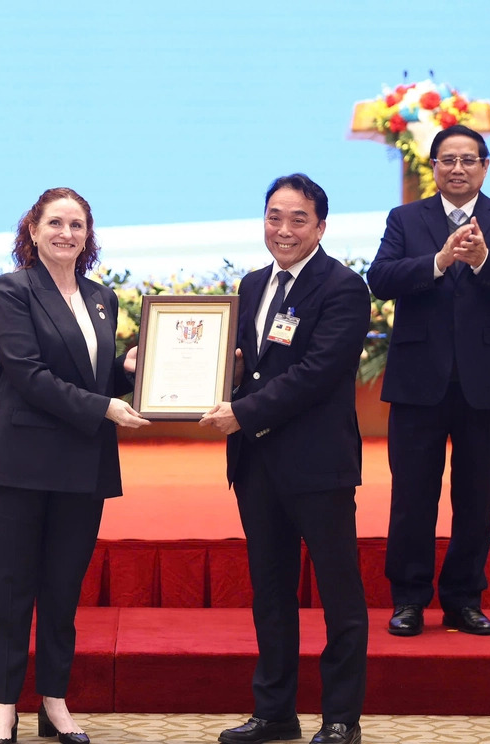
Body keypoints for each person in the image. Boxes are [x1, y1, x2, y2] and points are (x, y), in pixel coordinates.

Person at [200, 174, 371, 744]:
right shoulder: (252, 284)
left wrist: (243, 414)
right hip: (257, 465)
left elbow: (316, 374)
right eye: (275, 216)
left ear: (321, 226)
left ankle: (342, 718)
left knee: (339, 596)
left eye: (298, 219)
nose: (284, 229)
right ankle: (275, 714)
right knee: (271, 594)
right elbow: (250, 364)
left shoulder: (344, 287)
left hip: (317, 465)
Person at [0, 188, 149, 744]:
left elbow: (92, 374)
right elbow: (28, 374)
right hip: (20, 464)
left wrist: (131, 371)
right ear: (32, 229)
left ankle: (54, 702)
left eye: (77, 225)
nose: (66, 234)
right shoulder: (13, 289)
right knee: (10, 589)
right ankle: (5, 709)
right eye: (55, 222)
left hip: (81, 464)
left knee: (61, 591)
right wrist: (104, 407)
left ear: (88, 235)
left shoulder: (102, 297)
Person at [366, 124, 490, 638]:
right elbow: (380, 279)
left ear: (485, 167)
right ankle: (408, 599)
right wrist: (440, 262)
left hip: (485, 384)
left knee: (476, 498)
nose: (458, 169)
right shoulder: (406, 219)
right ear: (434, 167)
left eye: (469, 160)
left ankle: (464, 599)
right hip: (419, 381)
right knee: (412, 495)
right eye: (448, 160)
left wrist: (484, 261)